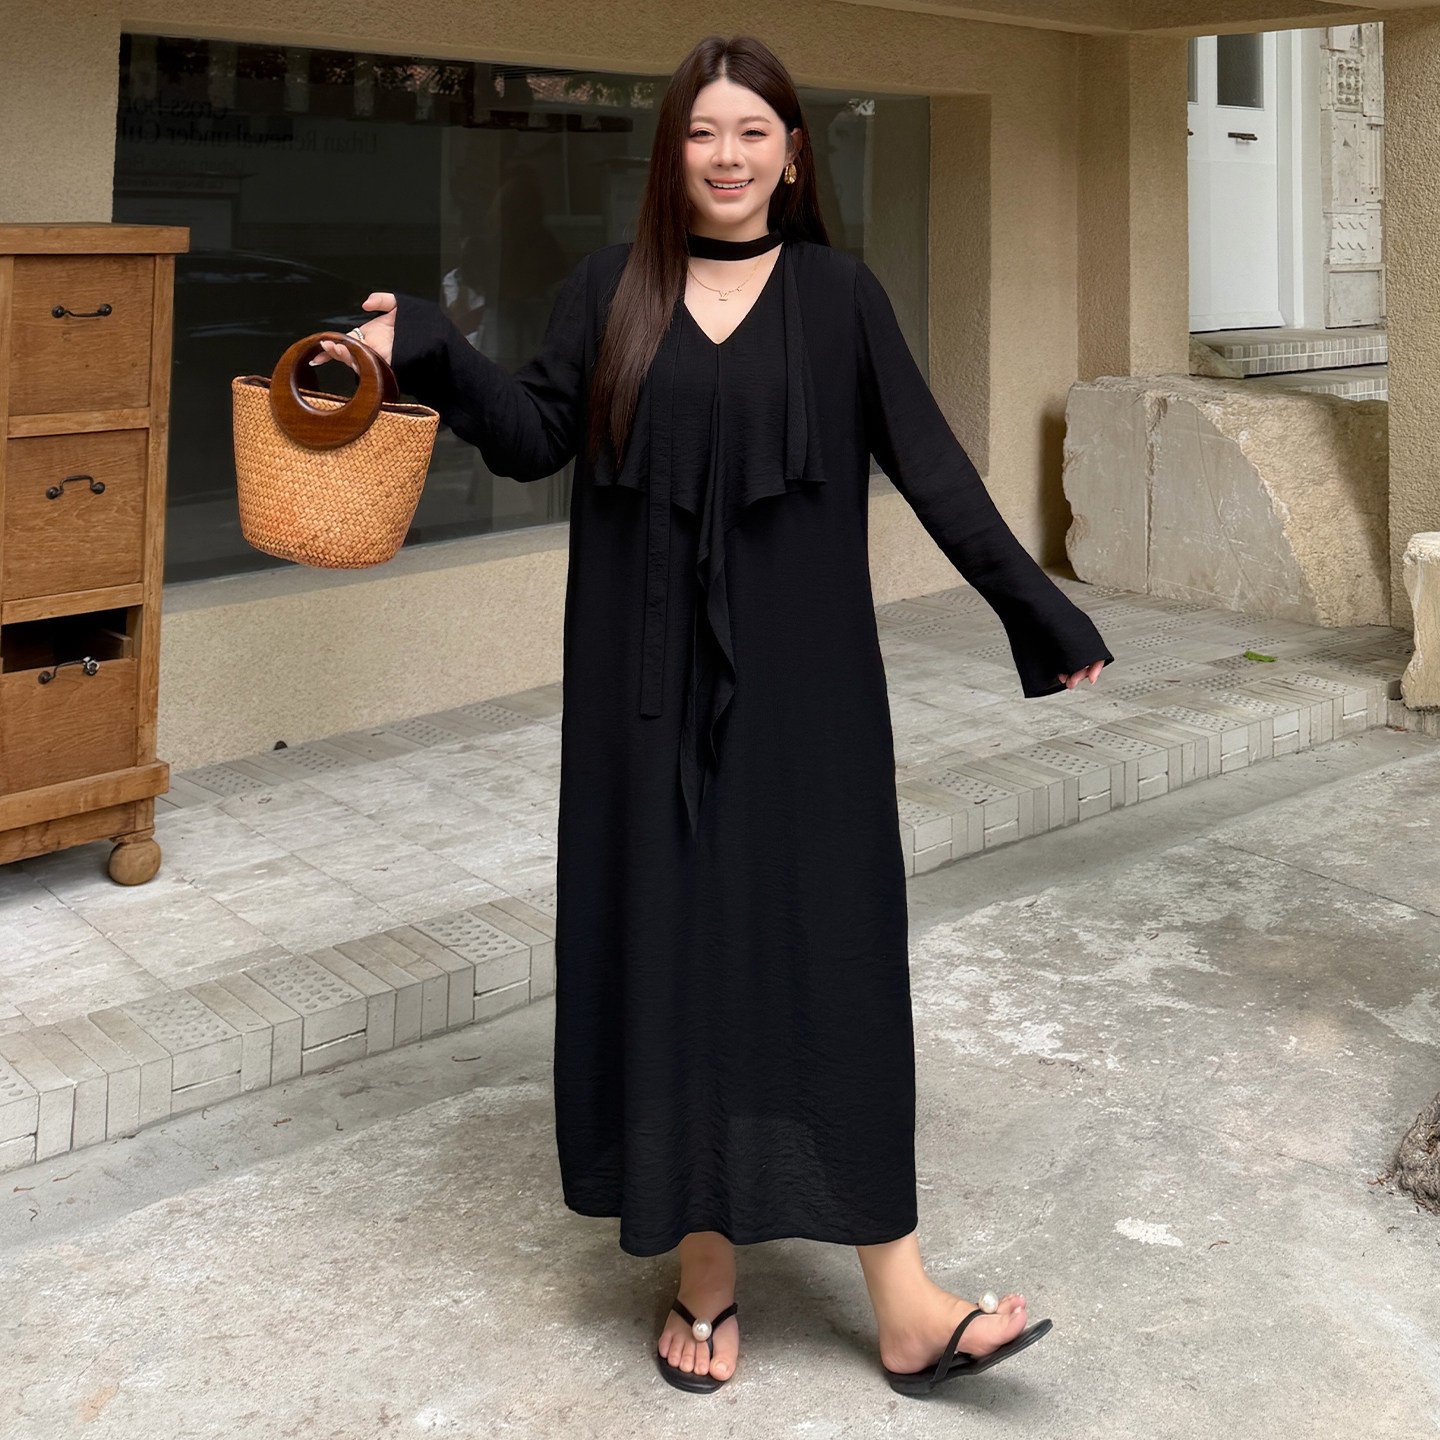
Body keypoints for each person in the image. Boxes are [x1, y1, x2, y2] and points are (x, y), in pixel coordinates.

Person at [311, 33, 1113, 1398]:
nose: (727, 155)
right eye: (702, 131)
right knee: (671, 957)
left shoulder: (840, 296)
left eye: (753, 131)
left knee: (834, 957)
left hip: (812, 696)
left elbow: (935, 468)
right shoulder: (610, 291)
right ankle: (704, 1271)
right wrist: (427, 345)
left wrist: (1038, 612)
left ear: (793, 154)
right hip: (642, 701)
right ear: (671, 153)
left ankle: (905, 1301)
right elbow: (533, 436)